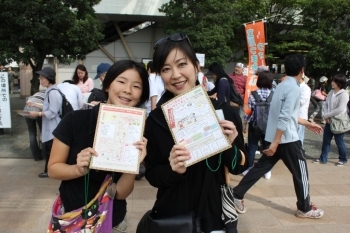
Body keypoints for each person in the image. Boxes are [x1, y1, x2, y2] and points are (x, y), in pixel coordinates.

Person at [137, 33, 247, 233]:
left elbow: (240, 166)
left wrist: (230, 146)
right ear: (160, 75)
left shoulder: (224, 112)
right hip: (172, 218)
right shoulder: (155, 120)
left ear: (196, 66)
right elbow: (153, 176)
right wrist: (173, 169)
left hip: (215, 217)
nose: (175, 75)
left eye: (181, 64)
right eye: (166, 69)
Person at [47, 60, 150, 232]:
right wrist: (78, 169)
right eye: (122, 81)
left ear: (141, 95)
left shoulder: (137, 131)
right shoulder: (75, 120)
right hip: (73, 219)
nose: (127, 90)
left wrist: (133, 164)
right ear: (108, 85)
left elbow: (121, 193)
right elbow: (53, 169)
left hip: (111, 220)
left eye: (136, 86)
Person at [232, 54, 325, 219]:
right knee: (301, 172)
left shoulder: (280, 86)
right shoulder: (294, 88)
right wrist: (276, 142)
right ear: (302, 70)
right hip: (286, 139)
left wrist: (306, 123)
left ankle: (237, 194)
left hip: (275, 136)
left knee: (260, 168)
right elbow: (284, 117)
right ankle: (304, 208)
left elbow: (285, 114)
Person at [28, 67, 62, 178]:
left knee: (49, 151)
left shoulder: (53, 92)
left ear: (49, 78)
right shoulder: (51, 91)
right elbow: (49, 107)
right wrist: (35, 105)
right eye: (40, 78)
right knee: (49, 150)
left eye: (43, 78)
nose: (40, 80)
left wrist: (37, 114)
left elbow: (52, 112)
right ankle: (48, 170)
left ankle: (48, 171)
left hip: (53, 127)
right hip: (51, 127)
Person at [242, 70, 274, 179]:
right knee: (267, 147)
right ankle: (267, 171)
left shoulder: (253, 94)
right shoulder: (273, 94)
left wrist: (245, 122)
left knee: (252, 146)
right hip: (269, 126)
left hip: (254, 124)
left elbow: (250, 110)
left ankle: (249, 168)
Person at [312, 74, 349, 166]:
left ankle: (343, 159)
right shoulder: (331, 92)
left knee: (339, 141)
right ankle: (323, 158)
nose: (332, 82)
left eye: (334, 81)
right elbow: (326, 104)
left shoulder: (344, 94)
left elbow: (340, 109)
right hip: (329, 120)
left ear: (339, 83)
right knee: (326, 141)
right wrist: (326, 116)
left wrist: (327, 115)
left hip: (338, 121)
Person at [24, 90, 45, 161]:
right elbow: (47, 108)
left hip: (26, 111)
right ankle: (45, 153)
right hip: (37, 111)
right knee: (43, 133)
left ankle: (36, 156)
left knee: (32, 134)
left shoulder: (36, 94)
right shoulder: (49, 94)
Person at [298, 75, 311, 145]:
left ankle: (300, 154)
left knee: (299, 139)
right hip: (295, 116)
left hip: (301, 116)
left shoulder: (306, 88)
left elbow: (301, 102)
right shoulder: (296, 87)